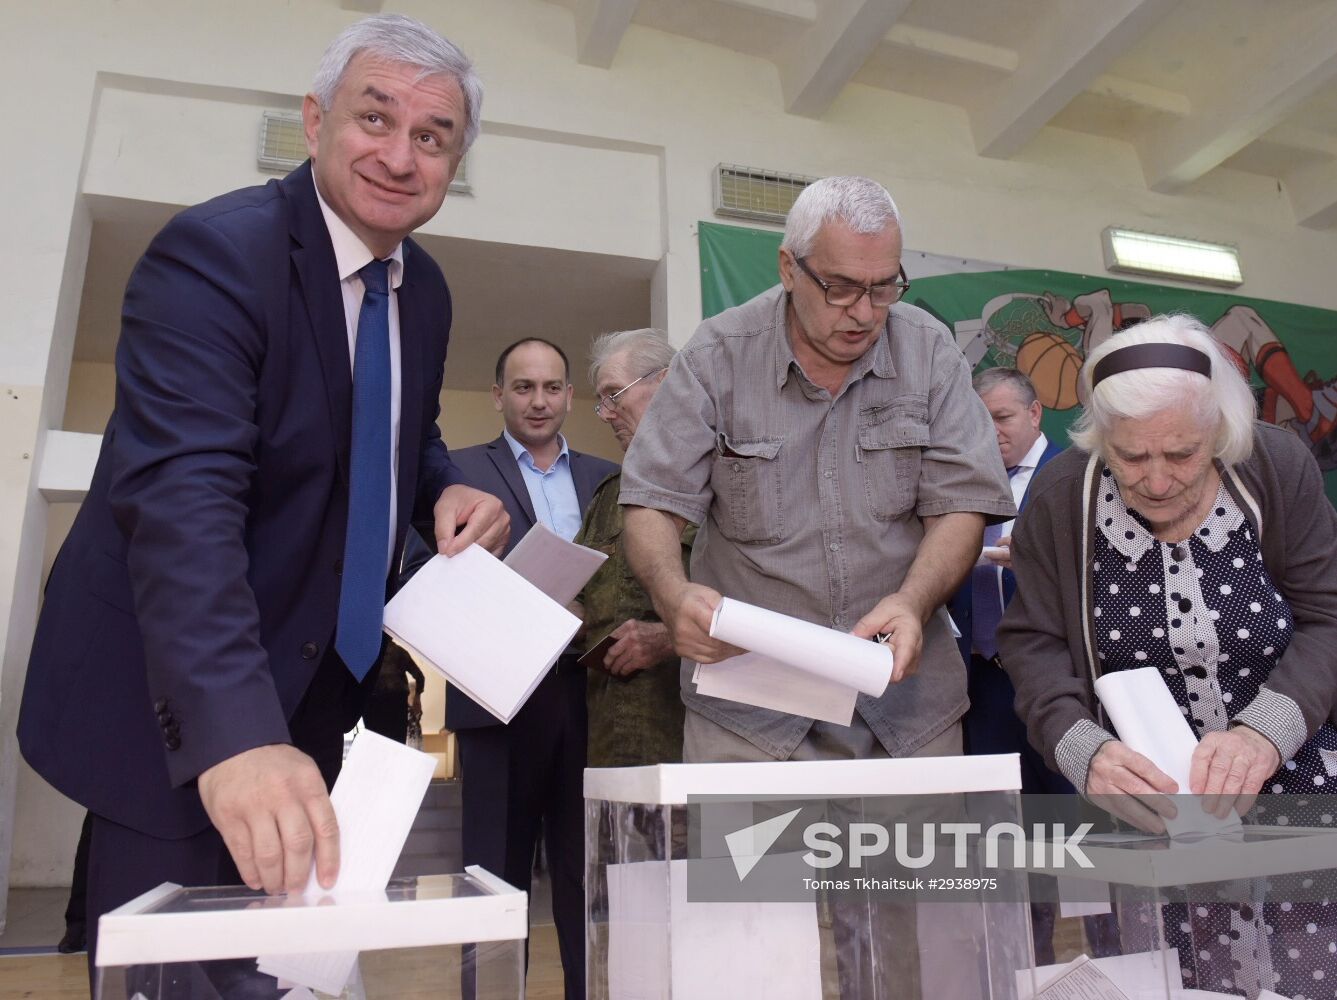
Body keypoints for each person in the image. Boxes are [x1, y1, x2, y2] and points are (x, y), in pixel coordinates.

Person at [17, 14, 508, 975]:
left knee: (280, 972)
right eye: (375, 118)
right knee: (171, 980)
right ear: (315, 120)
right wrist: (236, 741)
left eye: (432, 137)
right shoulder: (215, 255)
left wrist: (444, 490)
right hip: (179, 702)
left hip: (318, 692)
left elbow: (397, 433)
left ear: (454, 164)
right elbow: (182, 506)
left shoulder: (426, 289)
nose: (399, 156)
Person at [619, 175, 1015, 996]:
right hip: (750, 714)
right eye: (839, 287)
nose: (863, 313)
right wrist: (671, 594)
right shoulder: (717, 356)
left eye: (883, 287)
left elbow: (961, 505)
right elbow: (651, 502)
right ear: (787, 267)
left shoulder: (928, 352)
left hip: (903, 708)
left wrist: (913, 600)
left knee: (917, 957)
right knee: (750, 955)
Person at [999, 313, 1337, 995]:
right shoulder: (1062, 497)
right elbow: (1031, 643)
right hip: (1147, 819)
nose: (1155, 481)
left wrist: (1264, 734)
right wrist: (1083, 751)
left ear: (1218, 432)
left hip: (1299, 795)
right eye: (1130, 457)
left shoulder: (1275, 465)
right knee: (1179, 982)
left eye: (1181, 455)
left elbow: (1327, 615)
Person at [446, 337, 617, 1000]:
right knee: (492, 873)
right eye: (523, 387)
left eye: (550, 388)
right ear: (498, 396)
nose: (538, 401)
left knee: (586, 871)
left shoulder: (607, 478)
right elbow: (423, 568)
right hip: (498, 695)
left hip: (589, 693)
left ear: (570, 396)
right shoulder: (458, 472)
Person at [949, 368, 1070, 791]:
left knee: (1065, 808)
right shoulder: (960, 478)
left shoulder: (1075, 474)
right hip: (978, 676)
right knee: (995, 808)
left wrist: (1040, 561)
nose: (992, 431)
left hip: (1054, 675)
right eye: (980, 421)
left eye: (1002, 417)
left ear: (1034, 413)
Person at [575, 328, 691, 767]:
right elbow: (585, 605)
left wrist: (671, 637)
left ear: (666, 382)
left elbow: (770, 603)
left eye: (613, 395)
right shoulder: (609, 496)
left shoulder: (728, 482)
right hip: (611, 743)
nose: (605, 414)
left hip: (694, 745)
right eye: (601, 401)